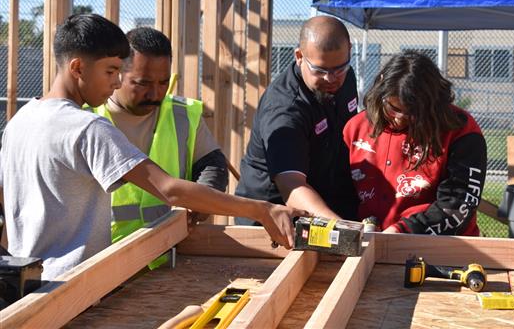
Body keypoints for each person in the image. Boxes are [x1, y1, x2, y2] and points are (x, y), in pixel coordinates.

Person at [0, 14, 305, 281]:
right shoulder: (89, 128)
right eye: (109, 72)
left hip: (27, 285)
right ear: (78, 67)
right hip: (76, 287)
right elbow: (169, 189)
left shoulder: (20, 121)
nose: (116, 83)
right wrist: (263, 209)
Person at [93, 27, 228, 268]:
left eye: (163, 82)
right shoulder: (88, 118)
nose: (155, 93)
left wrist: (201, 201)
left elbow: (211, 164)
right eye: (142, 83)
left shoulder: (183, 114)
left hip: (168, 258)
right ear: (118, 73)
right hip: (102, 264)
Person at [343, 51, 487, 235]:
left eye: (413, 112)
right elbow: (341, 193)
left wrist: (405, 230)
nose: (401, 119)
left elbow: (459, 204)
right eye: (393, 108)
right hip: (368, 242)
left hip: (442, 247)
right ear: (381, 92)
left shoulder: (460, 130)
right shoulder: (356, 128)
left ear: (433, 103)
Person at [235, 16, 359, 223]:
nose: (331, 79)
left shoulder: (345, 77)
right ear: (299, 56)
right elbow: (292, 186)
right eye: (320, 70)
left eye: (339, 69)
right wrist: (343, 227)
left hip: (323, 201)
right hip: (272, 217)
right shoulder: (285, 109)